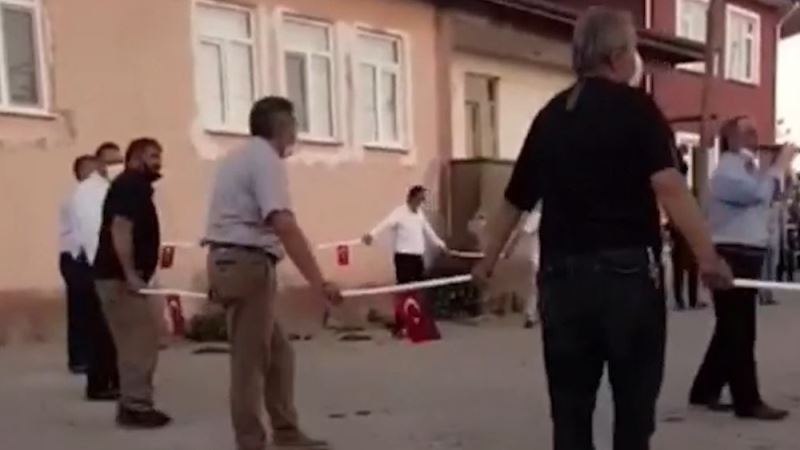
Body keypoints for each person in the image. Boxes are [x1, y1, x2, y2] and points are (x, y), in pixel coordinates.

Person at [472, 7, 732, 450]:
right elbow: (669, 187)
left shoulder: (551, 116)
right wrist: (707, 256)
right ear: (616, 56)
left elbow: (515, 200)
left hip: (562, 281)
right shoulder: (638, 110)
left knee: (570, 415)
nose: (636, 59)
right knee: (633, 413)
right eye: (633, 50)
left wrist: (487, 260)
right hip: (626, 279)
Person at [205, 96, 341, 450]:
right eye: (294, 125)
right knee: (249, 362)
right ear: (283, 126)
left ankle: (286, 430)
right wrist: (318, 282)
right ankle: (250, 441)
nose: (296, 134)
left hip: (233, 260)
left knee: (279, 354)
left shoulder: (239, 157)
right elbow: (283, 223)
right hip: (246, 264)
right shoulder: (265, 161)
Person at [689, 117, 795, 421]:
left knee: (730, 327)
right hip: (732, 253)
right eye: (747, 131)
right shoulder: (727, 170)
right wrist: (779, 164)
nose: (755, 135)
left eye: (755, 130)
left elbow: (772, 196)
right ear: (731, 139)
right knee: (740, 329)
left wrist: (780, 170)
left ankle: (704, 389)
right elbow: (756, 194)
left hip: (747, 251)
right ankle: (747, 401)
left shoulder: (749, 168)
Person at [93, 138, 170, 428]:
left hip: (121, 277)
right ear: (135, 158)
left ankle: (133, 403)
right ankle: (136, 407)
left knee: (137, 342)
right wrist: (130, 274)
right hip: (119, 279)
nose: (158, 162)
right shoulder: (130, 186)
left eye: (159, 156)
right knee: (139, 342)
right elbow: (121, 229)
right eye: (152, 156)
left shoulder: (135, 187)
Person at [71, 145, 122, 401]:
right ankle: (100, 384)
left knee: (107, 329)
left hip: (100, 265)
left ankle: (110, 380)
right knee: (103, 329)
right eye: (112, 162)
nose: (117, 166)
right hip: (100, 266)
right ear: (100, 165)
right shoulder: (92, 191)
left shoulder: (101, 189)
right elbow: (94, 232)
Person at [362, 185, 447, 284]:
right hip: (404, 257)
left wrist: (441, 244)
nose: (421, 202)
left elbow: (428, 230)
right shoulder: (400, 212)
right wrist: (372, 235)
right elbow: (385, 223)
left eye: (422, 200)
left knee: (419, 286)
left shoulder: (419, 214)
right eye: (420, 199)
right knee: (405, 286)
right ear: (412, 198)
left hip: (417, 257)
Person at [58, 155, 96, 374]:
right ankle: (79, 358)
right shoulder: (76, 196)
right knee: (80, 308)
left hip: (85, 256)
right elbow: (83, 230)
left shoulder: (90, 195)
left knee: (91, 308)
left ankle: (90, 355)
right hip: (75, 257)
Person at [669, 145, 702, 310]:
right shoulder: (678, 190)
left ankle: (684, 299)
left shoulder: (680, 190)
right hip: (682, 230)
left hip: (682, 230)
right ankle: (688, 299)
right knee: (686, 265)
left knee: (683, 266)